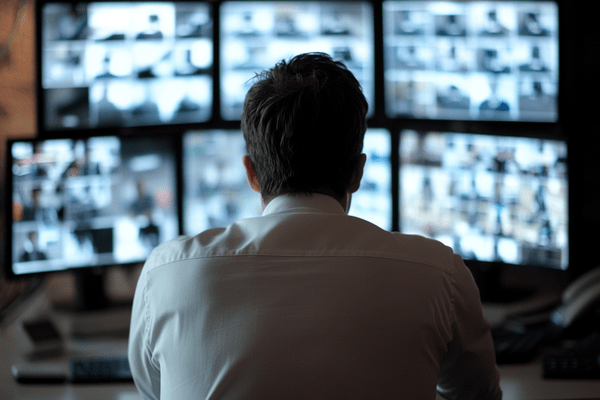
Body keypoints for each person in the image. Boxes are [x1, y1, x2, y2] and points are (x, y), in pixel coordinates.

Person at [128, 52, 501, 400]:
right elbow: (477, 395)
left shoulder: (165, 273)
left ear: (251, 173)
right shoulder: (439, 274)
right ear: (358, 172)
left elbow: (154, 392)